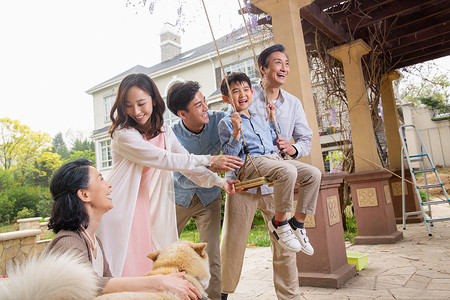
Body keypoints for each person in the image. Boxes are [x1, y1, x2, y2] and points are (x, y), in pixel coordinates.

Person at [96, 73, 239, 278]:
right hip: (122, 208)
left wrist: (220, 182)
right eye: (128, 105)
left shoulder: (163, 130)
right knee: (125, 268)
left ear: (154, 100)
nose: (135, 111)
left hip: (150, 207)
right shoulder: (123, 134)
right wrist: (209, 159)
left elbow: (185, 163)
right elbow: (165, 159)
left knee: (153, 266)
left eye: (141, 103)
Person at [220, 44, 322, 300]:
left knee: (284, 245)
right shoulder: (246, 94)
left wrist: (293, 148)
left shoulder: (293, 103)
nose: (284, 68)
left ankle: (290, 296)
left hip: (275, 179)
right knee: (233, 243)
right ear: (262, 68)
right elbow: (231, 141)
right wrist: (229, 179)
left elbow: (305, 139)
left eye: (287, 63)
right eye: (278, 62)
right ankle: (220, 293)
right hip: (247, 180)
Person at [44, 158, 203, 299]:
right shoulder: (68, 241)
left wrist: (167, 286)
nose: (109, 185)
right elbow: (91, 285)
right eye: (101, 179)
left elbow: (110, 288)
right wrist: (158, 282)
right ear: (84, 195)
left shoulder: (93, 240)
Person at [218, 71, 314, 253]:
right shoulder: (226, 122)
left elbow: (272, 140)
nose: (242, 94)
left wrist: (272, 118)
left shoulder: (258, 118)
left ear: (252, 94)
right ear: (226, 98)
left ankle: (297, 223)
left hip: (272, 159)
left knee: (313, 175)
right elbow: (230, 155)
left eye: (246, 89)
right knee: (287, 172)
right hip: (250, 163)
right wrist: (236, 132)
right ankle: (280, 223)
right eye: (235, 91)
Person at [166, 81, 242, 300]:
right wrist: (209, 165)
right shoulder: (172, 136)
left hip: (209, 199)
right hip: (179, 197)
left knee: (212, 256)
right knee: (165, 248)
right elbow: (181, 175)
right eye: (198, 105)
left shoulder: (218, 119)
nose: (205, 108)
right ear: (182, 113)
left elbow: (232, 149)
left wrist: (236, 128)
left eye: (205, 101)